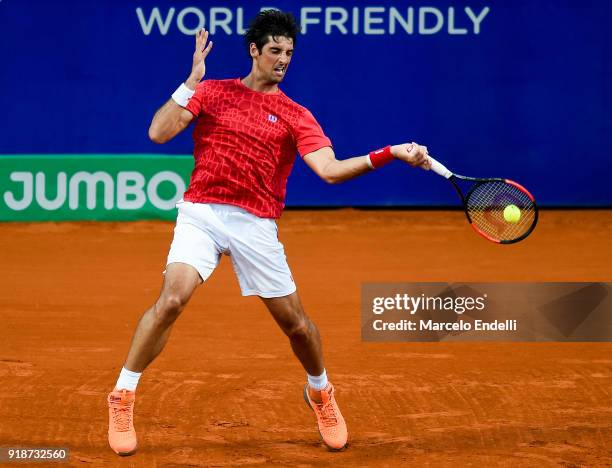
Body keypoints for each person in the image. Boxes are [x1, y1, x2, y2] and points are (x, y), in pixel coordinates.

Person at [107, 9, 430, 457]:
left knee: (296, 325)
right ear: (254, 51)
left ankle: (320, 391)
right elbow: (158, 132)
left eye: (289, 53)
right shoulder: (212, 91)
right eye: (275, 51)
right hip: (201, 211)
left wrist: (388, 153)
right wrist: (192, 79)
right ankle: (123, 395)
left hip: (255, 223)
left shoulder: (296, 114)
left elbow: (331, 171)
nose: (283, 60)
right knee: (172, 299)